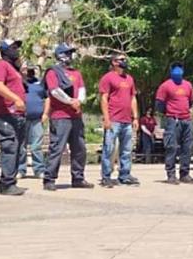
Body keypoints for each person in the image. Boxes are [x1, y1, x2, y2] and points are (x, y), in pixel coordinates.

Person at [42, 43, 93, 191]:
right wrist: (71, 101)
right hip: (60, 117)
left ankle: (78, 178)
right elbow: (55, 91)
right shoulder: (53, 72)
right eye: (68, 53)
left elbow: (82, 89)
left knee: (79, 148)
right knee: (57, 148)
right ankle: (49, 178)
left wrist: (79, 101)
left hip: (76, 116)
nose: (71, 56)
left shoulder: (76, 73)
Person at [0, 39, 27, 196]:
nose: (16, 50)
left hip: (17, 115)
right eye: (13, 48)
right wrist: (15, 99)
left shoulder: (13, 69)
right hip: (5, 114)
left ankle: (10, 180)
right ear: (5, 50)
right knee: (10, 147)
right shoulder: (1, 65)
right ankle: (6, 184)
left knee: (17, 149)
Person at [98, 53, 140, 187]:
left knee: (127, 149)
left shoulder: (129, 79)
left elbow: (133, 98)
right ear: (114, 62)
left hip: (127, 121)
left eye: (125, 59)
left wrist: (135, 117)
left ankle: (125, 175)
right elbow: (104, 98)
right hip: (113, 120)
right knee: (109, 149)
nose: (124, 61)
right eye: (121, 59)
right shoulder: (108, 78)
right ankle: (106, 176)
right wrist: (106, 118)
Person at [155, 61, 193, 185]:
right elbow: (159, 105)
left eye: (180, 68)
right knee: (171, 147)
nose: (178, 71)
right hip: (173, 120)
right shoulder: (165, 86)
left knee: (187, 148)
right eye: (175, 68)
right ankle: (171, 175)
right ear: (171, 71)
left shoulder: (188, 85)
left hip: (186, 120)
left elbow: (191, 102)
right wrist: (170, 113)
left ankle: (185, 174)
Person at [19, 66, 48, 179]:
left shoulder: (40, 84)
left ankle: (39, 170)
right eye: (26, 70)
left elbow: (48, 98)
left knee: (36, 146)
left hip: (37, 119)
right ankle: (20, 170)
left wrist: (45, 113)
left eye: (31, 70)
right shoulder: (19, 83)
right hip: (22, 118)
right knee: (21, 146)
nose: (29, 72)